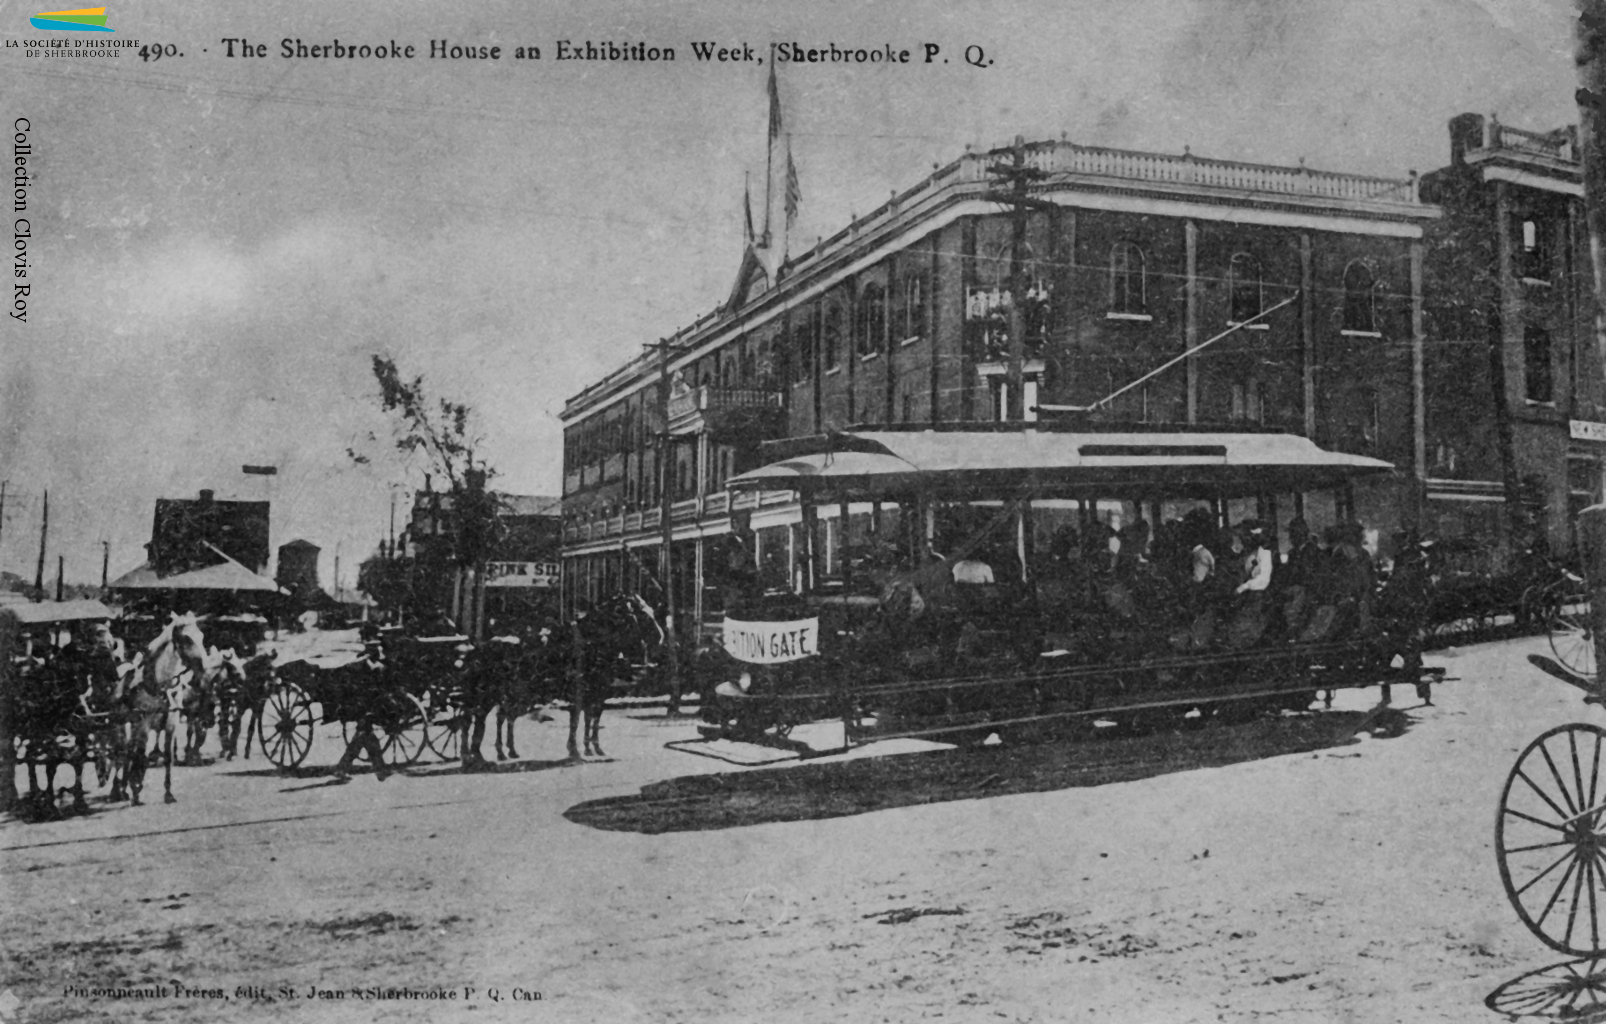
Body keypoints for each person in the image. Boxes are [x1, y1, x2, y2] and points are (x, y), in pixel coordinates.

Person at [331, 633, 391, 783]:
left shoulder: (376, 666)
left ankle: (380, 769)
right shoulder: (357, 667)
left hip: (368, 708)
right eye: (375, 648)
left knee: (368, 738)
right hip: (359, 707)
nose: (379, 651)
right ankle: (342, 768)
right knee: (362, 738)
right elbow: (351, 690)